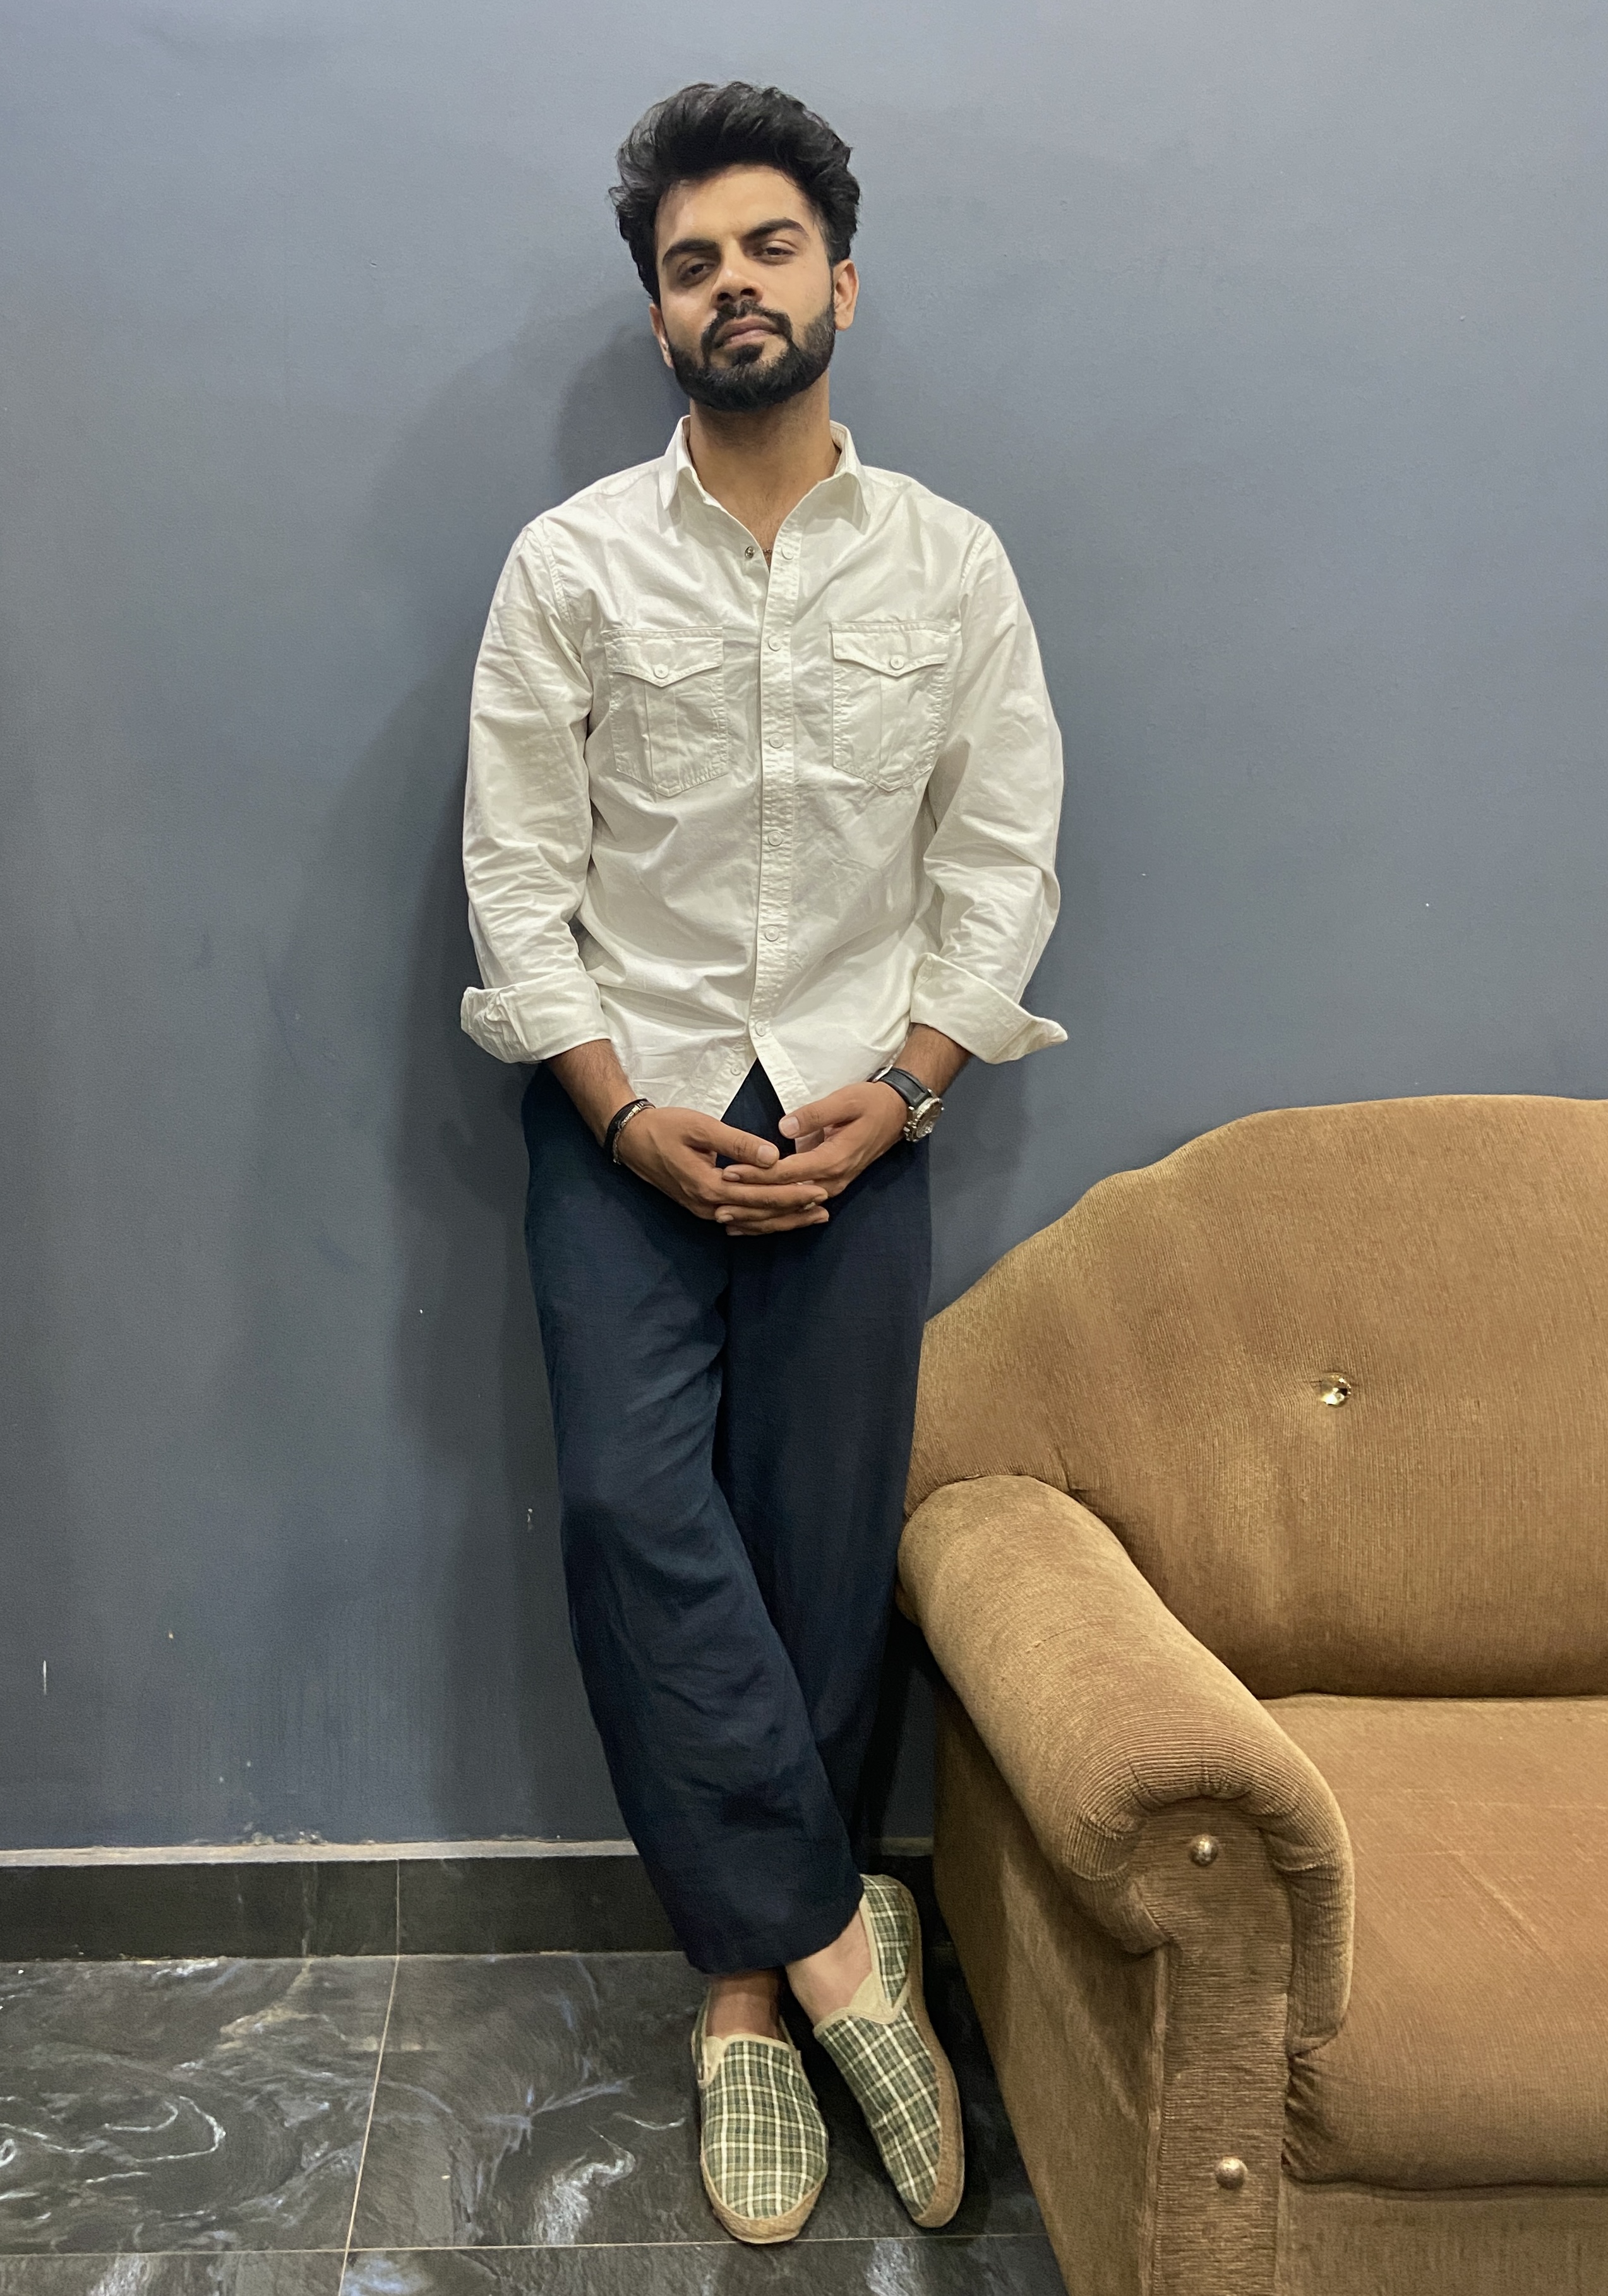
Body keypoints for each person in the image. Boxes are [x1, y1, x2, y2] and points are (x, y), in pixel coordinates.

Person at [460, 80, 1065, 2246]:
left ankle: (736, 1998)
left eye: (767, 247)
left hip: (854, 1114)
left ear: (839, 282)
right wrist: (624, 1114)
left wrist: (902, 1084)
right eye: (691, 261)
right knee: (635, 1511)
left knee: (819, 1553)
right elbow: (516, 882)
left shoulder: (952, 564)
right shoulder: (569, 567)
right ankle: (829, 1952)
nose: (733, 284)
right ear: (657, 316)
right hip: (619, 1115)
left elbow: (999, 855)